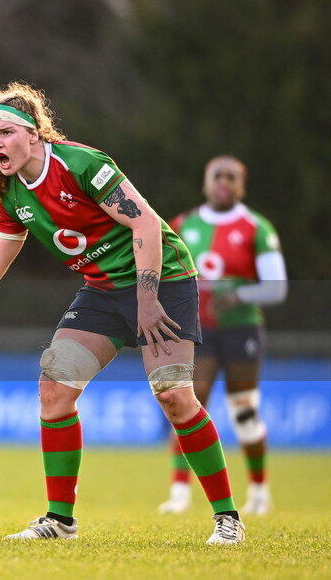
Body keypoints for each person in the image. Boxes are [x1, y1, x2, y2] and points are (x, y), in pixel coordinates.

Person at [0, 82, 246, 545]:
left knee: (174, 395)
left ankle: (228, 519)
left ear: (34, 134)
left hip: (162, 279)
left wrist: (147, 300)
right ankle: (60, 521)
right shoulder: (11, 195)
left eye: (6, 132)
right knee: (54, 390)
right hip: (104, 291)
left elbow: (144, 222)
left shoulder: (83, 164)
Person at [158, 155, 286, 516]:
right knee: (190, 400)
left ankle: (259, 491)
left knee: (244, 411)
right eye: (217, 176)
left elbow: (277, 289)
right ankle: (180, 493)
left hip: (242, 328)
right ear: (206, 181)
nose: (223, 182)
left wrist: (239, 295)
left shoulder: (255, 227)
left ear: (241, 185)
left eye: (231, 177)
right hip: (198, 330)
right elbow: (164, 269)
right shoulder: (184, 224)